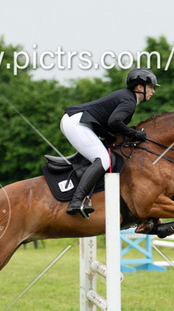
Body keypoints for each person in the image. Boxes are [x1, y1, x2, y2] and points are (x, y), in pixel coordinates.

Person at [60, 67, 159, 217]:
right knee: (103, 159)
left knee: (103, 155)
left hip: (79, 122)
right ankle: (76, 201)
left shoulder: (127, 97)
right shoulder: (130, 101)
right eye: (151, 87)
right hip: (77, 123)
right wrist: (134, 133)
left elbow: (113, 125)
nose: (153, 91)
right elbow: (114, 122)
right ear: (140, 87)